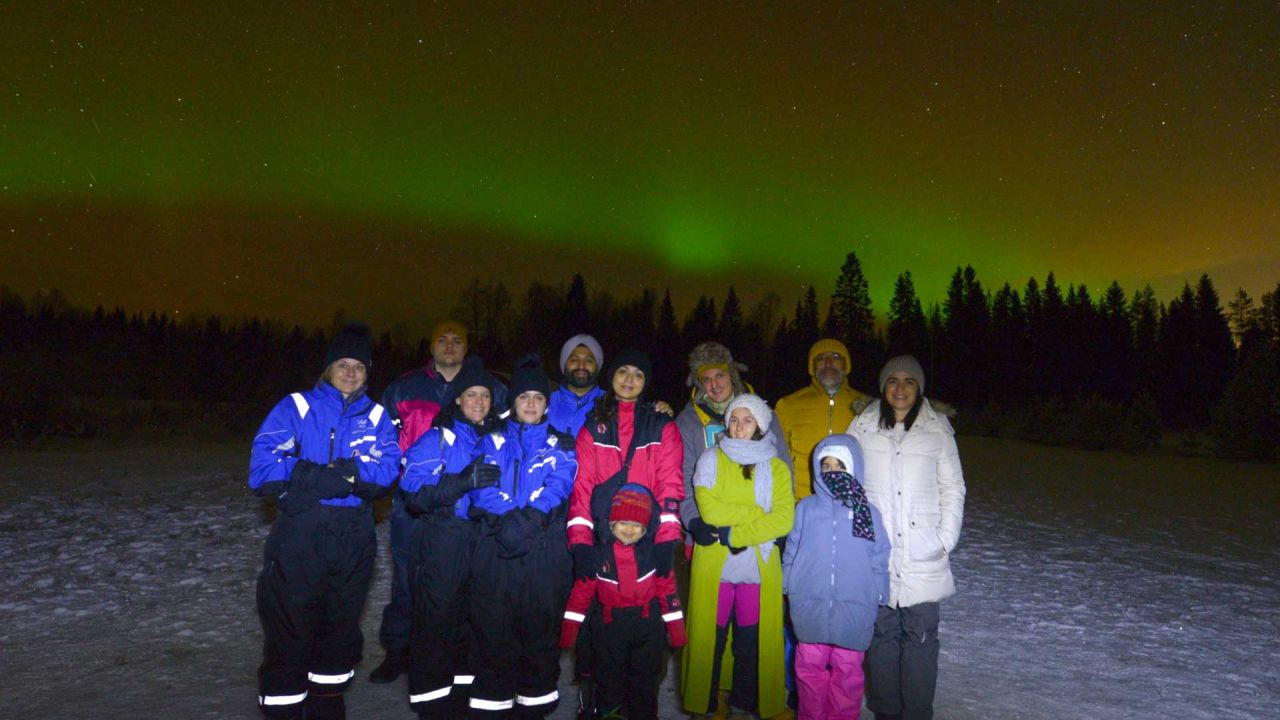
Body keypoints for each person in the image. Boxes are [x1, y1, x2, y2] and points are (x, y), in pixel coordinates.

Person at [248, 323, 402, 720]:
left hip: (354, 537)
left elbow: (387, 470)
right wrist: (321, 476)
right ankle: (283, 708)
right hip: (301, 535)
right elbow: (263, 468)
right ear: (328, 368)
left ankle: (328, 706)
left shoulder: (378, 416)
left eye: (359, 367)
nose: (351, 373)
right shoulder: (297, 407)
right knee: (291, 630)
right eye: (343, 364)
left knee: (340, 632)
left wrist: (348, 473)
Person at [371, 320, 508, 684]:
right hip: (414, 499)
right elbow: (382, 438)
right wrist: (389, 478)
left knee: (462, 585)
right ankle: (399, 648)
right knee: (407, 579)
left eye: (457, 340)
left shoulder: (491, 388)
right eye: (442, 340)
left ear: (466, 347)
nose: (449, 345)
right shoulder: (404, 387)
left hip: (465, 511)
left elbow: (517, 427)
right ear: (430, 347)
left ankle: (458, 656)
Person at [565, 350, 684, 717]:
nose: (629, 379)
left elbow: (670, 485)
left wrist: (666, 540)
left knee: (647, 639)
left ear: (646, 383)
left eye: (638, 374)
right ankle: (599, 704)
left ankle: (643, 704)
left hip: (647, 541)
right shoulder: (594, 425)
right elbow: (582, 488)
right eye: (622, 372)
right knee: (599, 641)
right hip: (603, 541)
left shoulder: (661, 425)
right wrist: (581, 543)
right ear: (611, 377)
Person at [847, 356, 965, 720]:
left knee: (921, 637)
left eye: (909, 381)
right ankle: (886, 711)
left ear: (919, 387)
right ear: (883, 386)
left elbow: (953, 487)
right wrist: (860, 536)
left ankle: (916, 712)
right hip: (876, 554)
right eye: (893, 381)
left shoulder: (937, 428)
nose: (900, 388)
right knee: (881, 636)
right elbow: (848, 485)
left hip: (922, 553)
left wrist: (944, 539)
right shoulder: (862, 427)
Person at [466, 355, 577, 718]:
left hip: (543, 551)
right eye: (524, 397)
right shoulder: (492, 440)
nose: (531, 404)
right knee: (494, 632)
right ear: (513, 402)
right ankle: (493, 705)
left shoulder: (560, 444)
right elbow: (482, 486)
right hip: (497, 548)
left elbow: (559, 484)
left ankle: (534, 705)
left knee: (540, 634)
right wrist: (508, 519)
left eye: (538, 398)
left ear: (547, 404)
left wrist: (528, 520)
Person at [399, 357, 506, 720]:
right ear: (457, 399)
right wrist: (460, 482)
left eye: (485, 395)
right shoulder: (438, 438)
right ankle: (432, 706)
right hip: (443, 541)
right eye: (470, 394)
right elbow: (413, 493)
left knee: (475, 626)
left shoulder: (499, 439)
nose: (478, 401)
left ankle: (465, 702)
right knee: (436, 625)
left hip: (484, 542)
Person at [682, 394, 794, 720]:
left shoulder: (776, 466)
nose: (739, 426)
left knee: (750, 642)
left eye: (747, 420)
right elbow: (710, 510)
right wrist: (758, 514)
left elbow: (784, 519)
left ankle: (744, 703)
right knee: (711, 639)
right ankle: (707, 702)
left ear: (760, 425)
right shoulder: (711, 459)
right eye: (734, 419)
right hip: (715, 565)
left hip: (757, 569)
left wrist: (735, 534)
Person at [783, 434, 890, 720]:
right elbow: (792, 546)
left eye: (839, 466)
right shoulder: (805, 508)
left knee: (847, 671)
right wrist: (788, 578)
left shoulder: (866, 512)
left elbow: (879, 553)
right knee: (809, 669)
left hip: (854, 602)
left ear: (854, 468)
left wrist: (880, 587)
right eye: (826, 466)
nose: (832, 472)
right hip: (810, 602)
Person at [559, 484, 688, 720]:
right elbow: (581, 594)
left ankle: (645, 714)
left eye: (637, 525)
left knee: (646, 680)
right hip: (609, 627)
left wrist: (676, 631)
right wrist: (570, 629)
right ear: (611, 523)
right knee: (608, 679)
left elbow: (668, 593)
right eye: (623, 523)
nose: (629, 530)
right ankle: (611, 712)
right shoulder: (598, 555)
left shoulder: (653, 556)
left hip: (647, 626)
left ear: (646, 528)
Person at [677, 342, 791, 552]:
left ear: (732, 375)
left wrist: (780, 523)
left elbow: (782, 465)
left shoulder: (762, 414)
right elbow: (684, 475)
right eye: (706, 379)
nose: (714, 385)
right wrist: (693, 520)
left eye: (719, 375)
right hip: (709, 528)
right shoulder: (688, 422)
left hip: (759, 528)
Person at [774, 338, 871, 502]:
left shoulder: (867, 407)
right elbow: (776, 456)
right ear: (812, 367)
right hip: (800, 502)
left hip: (850, 502)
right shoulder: (788, 405)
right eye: (821, 358)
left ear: (846, 365)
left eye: (836, 356)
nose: (828, 363)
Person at [547, 334, 607, 438]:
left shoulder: (610, 404)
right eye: (574, 360)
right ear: (564, 365)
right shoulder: (545, 402)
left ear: (597, 366)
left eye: (588, 361)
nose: (581, 366)